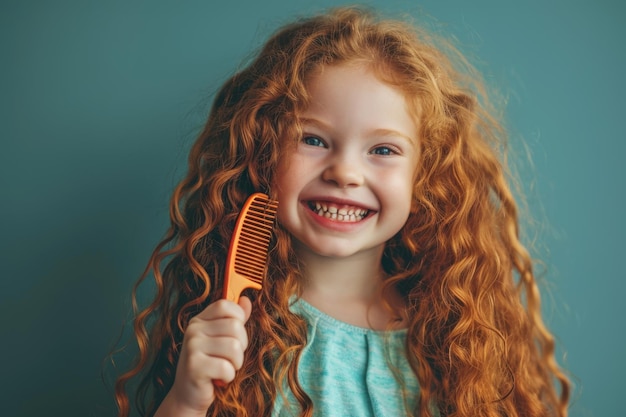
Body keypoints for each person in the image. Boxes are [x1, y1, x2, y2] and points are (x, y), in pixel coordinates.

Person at [114, 7, 570, 417]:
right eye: (313, 139)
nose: (346, 172)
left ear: (425, 176)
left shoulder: (457, 338)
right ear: (264, 152)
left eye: (384, 149)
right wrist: (187, 401)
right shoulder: (233, 332)